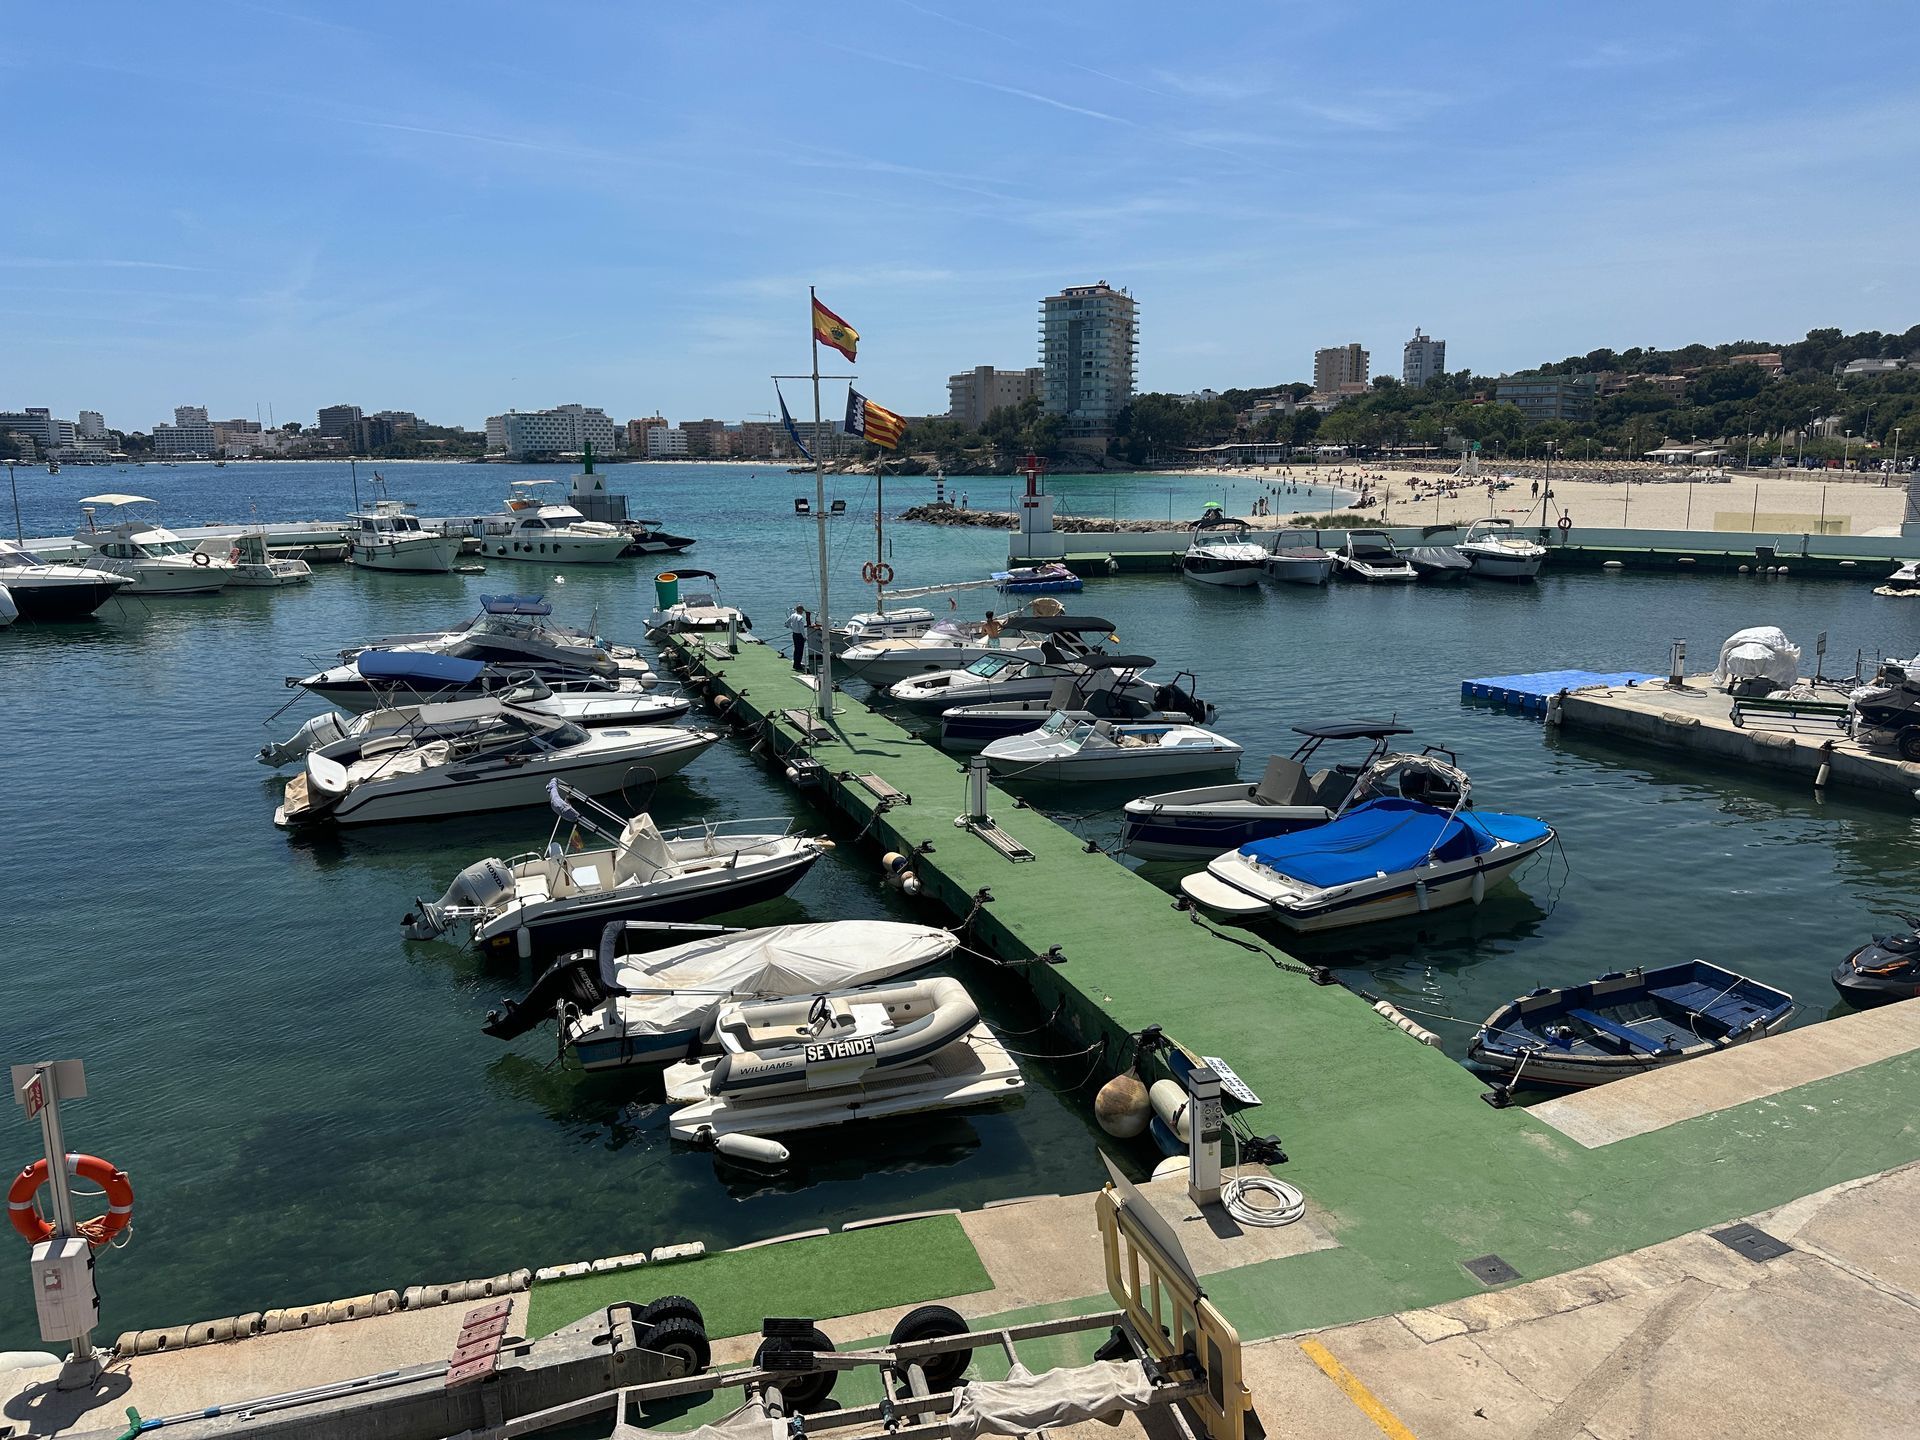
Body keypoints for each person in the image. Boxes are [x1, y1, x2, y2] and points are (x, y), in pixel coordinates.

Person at [786, 603, 809, 672]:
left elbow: (787, 623)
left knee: (796, 649)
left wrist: (792, 628)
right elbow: (801, 629)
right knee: (800, 651)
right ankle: (798, 665)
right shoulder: (800, 617)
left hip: (794, 634)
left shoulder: (793, 615)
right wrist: (804, 637)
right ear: (801, 610)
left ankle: (795, 664)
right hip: (799, 635)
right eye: (802, 610)